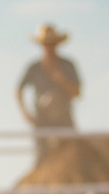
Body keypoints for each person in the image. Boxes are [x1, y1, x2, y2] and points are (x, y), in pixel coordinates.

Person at [16, 24, 81, 162]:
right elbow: (18, 89)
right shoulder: (34, 67)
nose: (48, 47)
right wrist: (25, 113)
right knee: (41, 158)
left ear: (57, 44)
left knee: (74, 156)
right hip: (42, 120)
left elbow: (77, 92)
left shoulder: (67, 65)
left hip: (64, 119)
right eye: (46, 44)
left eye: (51, 44)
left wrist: (60, 79)